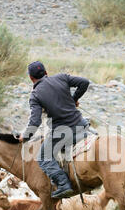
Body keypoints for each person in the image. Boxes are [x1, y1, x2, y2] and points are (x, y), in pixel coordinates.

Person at [19, 61, 90, 198]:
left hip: (63, 132)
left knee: (43, 156)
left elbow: (35, 121)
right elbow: (84, 82)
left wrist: (25, 136)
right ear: (46, 72)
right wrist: (74, 99)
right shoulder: (62, 77)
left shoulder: (35, 95)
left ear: (31, 78)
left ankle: (63, 184)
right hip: (81, 124)